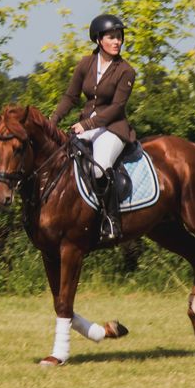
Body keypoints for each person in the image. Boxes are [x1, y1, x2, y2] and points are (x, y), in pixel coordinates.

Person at [49, 13, 136, 241]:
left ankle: (111, 220)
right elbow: (70, 97)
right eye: (112, 37)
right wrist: (52, 121)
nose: (117, 41)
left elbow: (117, 107)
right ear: (99, 40)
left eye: (119, 37)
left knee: (99, 167)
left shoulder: (126, 71)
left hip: (114, 129)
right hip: (86, 127)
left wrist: (86, 124)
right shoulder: (85, 64)